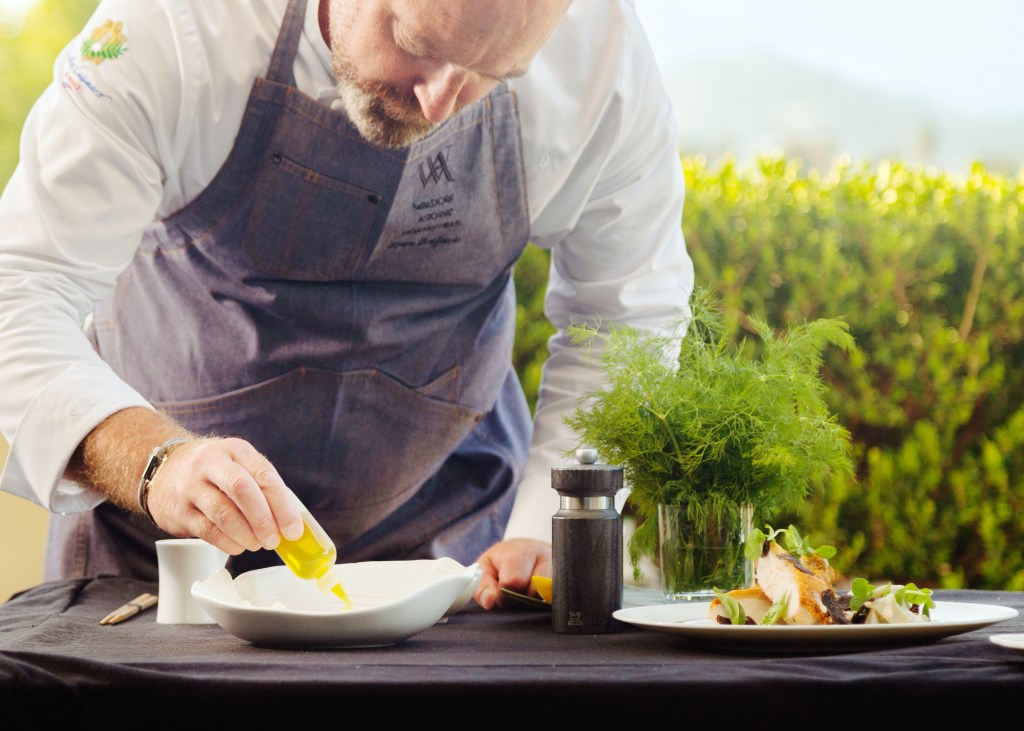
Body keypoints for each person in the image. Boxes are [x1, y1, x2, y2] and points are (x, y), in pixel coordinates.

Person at [0, 0, 692, 609]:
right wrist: (156, 463)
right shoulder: (175, 30)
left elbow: (626, 316)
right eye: (419, 44)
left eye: (494, 74)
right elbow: (21, 290)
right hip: (160, 562)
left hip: (450, 562)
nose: (441, 102)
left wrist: (549, 523)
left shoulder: (604, 57)